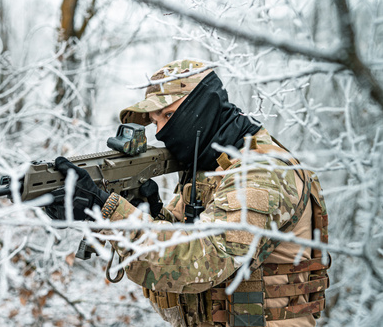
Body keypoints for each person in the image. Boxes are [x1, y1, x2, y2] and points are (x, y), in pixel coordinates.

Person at [47, 59, 331, 327]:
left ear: (204, 107)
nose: (160, 133)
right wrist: (149, 210)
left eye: (168, 115)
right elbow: (182, 239)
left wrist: (110, 211)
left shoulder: (261, 172)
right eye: (155, 121)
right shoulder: (210, 170)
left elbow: (202, 261)